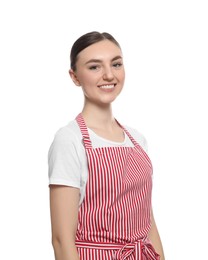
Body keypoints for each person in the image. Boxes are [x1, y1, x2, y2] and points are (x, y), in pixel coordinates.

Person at [48, 31, 165, 260]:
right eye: (94, 67)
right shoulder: (70, 140)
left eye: (116, 64)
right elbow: (62, 240)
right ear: (74, 77)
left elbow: (148, 222)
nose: (109, 75)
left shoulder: (137, 140)